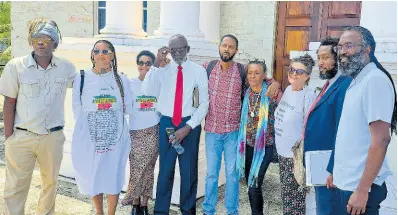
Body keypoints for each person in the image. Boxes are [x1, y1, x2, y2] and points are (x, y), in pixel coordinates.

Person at [0, 18, 75, 215]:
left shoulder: (66, 68)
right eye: (36, 38)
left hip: (52, 137)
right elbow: (9, 102)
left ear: (55, 42)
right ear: (30, 42)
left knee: (50, 184)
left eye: (46, 38)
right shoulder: (16, 66)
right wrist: (10, 138)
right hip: (21, 136)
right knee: (15, 187)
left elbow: (84, 89)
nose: (41, 43)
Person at [202, 34, 281, 215]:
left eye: (231, 47)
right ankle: (208, 210)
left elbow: (260, 78)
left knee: (232, 174)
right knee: (211, 175)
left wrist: (274, 82)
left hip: (233, 132)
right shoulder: (207, 67)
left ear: (236, 51)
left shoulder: (241, 71)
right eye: (224, 45)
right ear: (219, 47)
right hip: (212, 131)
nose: (227, 49)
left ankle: (232, 210)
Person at [326, 26, 397, 215]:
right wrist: (336, 172)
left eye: (348, 46)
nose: (342, 52)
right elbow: (351, 134)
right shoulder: (356, 81)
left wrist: (363, 190)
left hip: (361, 187)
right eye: (340, 47)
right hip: (347, 182)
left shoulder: (374, 80)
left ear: (367, 49)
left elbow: (381, 139)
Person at [142, 34, 209, 215]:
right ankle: (161, 211)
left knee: (188, 172)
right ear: (168, 50)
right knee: (165, 171)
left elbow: (204, 103)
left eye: (181, 48)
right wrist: (155, 63)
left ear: (187, 49)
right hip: (167, 124)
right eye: (173, 49)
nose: (178, 52)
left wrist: (188, 127)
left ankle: (187, 211)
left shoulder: (198, 71)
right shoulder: (162, 70)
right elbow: (146, 92)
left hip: (189, 124)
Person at [71, 40, 133, 215]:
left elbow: (128, 108)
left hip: (115, 138)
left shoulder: (122, 79)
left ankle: (111, 212)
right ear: (92, 55)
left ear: (112, 55)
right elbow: (77, 108)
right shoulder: (81, 77)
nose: (101, 54)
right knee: (93, 174)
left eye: (105, 51)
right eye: (96, 51)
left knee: (113, 174)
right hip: (91, 138)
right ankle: (99, 211)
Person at [303, 37, 352, 215]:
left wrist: (333, 169)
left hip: (330, 168)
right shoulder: (329, 84)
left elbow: (343, 131)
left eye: (325, 58)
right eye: (319, 58)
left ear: (338, 58)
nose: (320, 63)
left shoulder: (345, 85)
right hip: (319, 163)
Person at [274, 54, 317, 214]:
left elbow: (310, 129)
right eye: (292, 69)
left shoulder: (308, 95)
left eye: (299, 71)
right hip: (282, 154)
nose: (294, 73)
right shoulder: (287, 90)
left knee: (296, 202)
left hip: (295, 158)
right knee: (287, 198)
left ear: (307, 76)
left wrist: (301, 159)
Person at [235, 59, 278, 215]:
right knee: (250, 184)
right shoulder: (246, 92)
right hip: (247, 146)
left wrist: (276, 83)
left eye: (257, 72)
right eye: (250, 72)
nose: (252, 76)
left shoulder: (272, 94)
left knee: (254, 184)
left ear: (264, 75)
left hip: (265, 146)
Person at [121, 50, 159, 215]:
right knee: (137, 168)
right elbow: (125, 107)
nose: (144, 66)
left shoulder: (158, 84)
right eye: (141, 63)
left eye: (149, 63)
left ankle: (144, 205)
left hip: (153, 132)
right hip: (135, 133)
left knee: (149, 169)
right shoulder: (129, 83)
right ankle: (134, 202)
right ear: (137, 65)